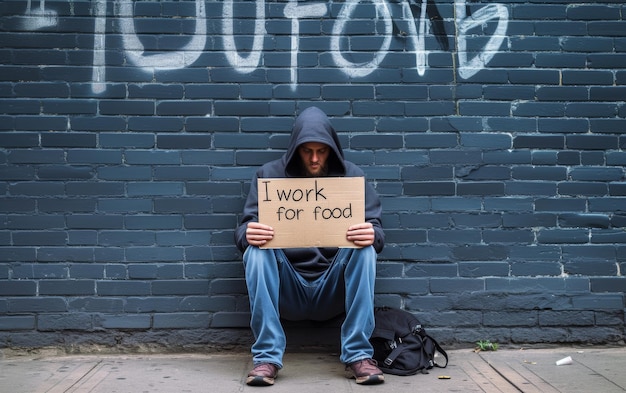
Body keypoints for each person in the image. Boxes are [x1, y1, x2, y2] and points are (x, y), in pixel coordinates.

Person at [234, 106, 385, 386]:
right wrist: (247, 234)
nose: (314, 159)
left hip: (333, 286)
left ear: (332, 149)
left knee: (365, 250)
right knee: (255, 251)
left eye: (322, 151)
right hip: (287, 286)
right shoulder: (268, 176)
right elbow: (245, 226)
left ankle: (358, 355)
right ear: (295, 149)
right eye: (307, 151)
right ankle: (266, 357)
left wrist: (373, 235)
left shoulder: (352, 177)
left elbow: (377, 229)